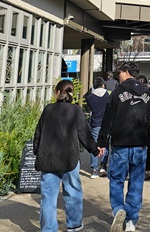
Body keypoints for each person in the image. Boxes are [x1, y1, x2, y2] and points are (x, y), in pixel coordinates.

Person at [33, 79, 104, 232]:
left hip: (48, 159)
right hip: (69, 158)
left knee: (48, 197)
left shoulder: (48, 109)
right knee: (72, 193)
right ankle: (74, 225)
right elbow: (84, 134)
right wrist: (95, 150)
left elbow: (38, 133)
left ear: (58, 92)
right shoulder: (75, 110)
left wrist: (36, 151)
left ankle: (48, 228)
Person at [97, 62, 150, 232]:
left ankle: (118, 209)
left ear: (126, 72)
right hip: (139, 144)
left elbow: (107, 119)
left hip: (120, 143)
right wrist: (148, 140)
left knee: (117, 179)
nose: (118, 75)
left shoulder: (117, 93)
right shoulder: (147, 93)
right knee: (136, 181)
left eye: (120, 72)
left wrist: (101, 142)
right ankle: (131, 219)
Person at [85, 77, 110, 178]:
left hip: (95, 123)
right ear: (103, 85)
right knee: (106, 145)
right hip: (107, 123)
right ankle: (103, 166)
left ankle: (94, 169)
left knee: (94, 145)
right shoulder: (108, 95)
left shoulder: (90, 97)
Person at [137, 75, 150, 181]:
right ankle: (147, 170)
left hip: (136, 126)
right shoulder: (148, 94)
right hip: (148, 126)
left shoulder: (133, 93)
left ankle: (137, 171)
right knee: (148, 149)